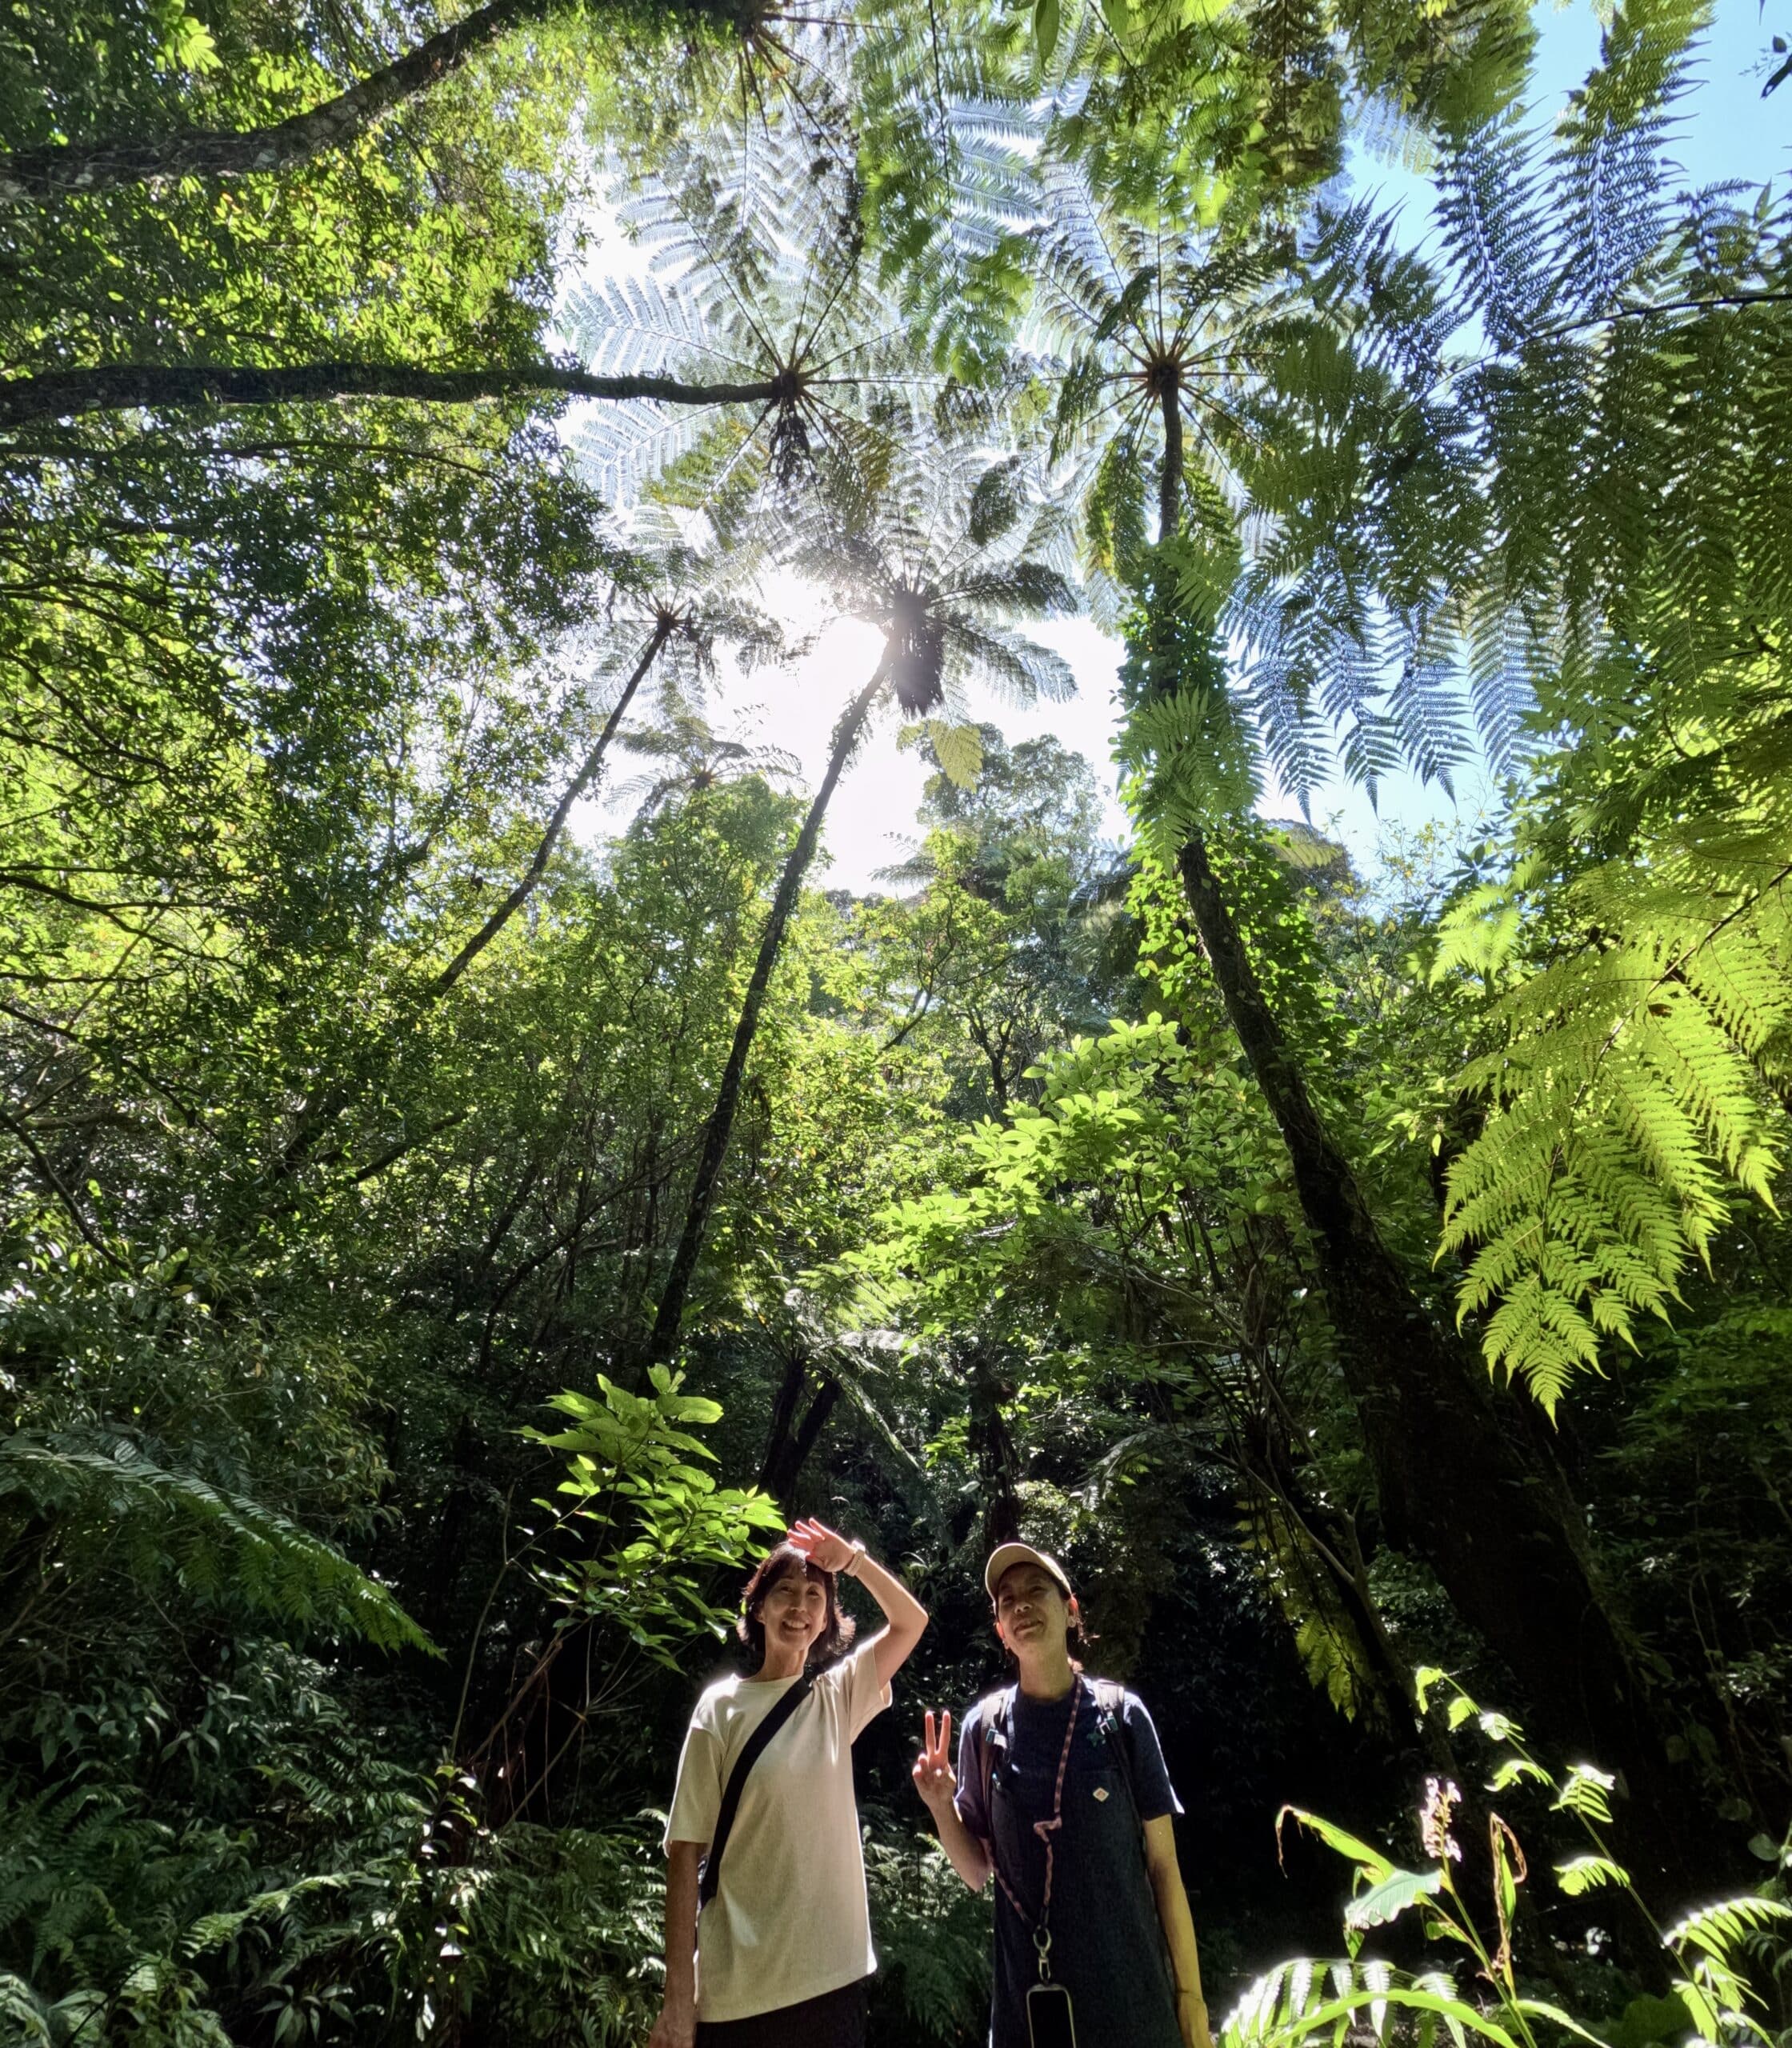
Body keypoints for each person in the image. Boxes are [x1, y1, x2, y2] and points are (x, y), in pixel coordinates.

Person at [911, 1542, 1212, 2048]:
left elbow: (1163, 1867)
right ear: (1000, 1630)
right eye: (1007, 1600)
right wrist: (941, 1805)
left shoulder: (1122, 1718)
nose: (1021, 1604)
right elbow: (977, 1872)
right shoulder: (983, 1730)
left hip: (1132, 2012)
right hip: (1026, 2018)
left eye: (1036, 1591)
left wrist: (1191, 1998)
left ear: (1070, 1610)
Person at [650, 1518, 928, 2048]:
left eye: (813, 1596)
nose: (799, 1608)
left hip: (832, 1983)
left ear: (827, 1620)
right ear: (758, 1608)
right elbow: (684, 1852)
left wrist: (852, 1562)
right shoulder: (722, 1708)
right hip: (739, 1993)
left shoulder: (837, 1698)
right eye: (784, 1593)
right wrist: (677, 1999)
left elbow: (910, 1623)